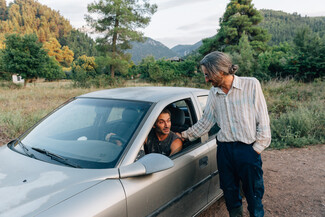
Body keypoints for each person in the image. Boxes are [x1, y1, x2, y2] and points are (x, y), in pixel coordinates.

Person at [177, 51, 271, 217]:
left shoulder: (251, 85)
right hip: (224, 151)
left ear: (220, 70)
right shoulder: (214, 93)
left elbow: (262, 120)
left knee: (253, 193)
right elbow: (206, 122)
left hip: (247, 149)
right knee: (229, 193)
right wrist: (183, 136)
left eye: (208, 75)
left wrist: (255, 150)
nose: (206, 79)